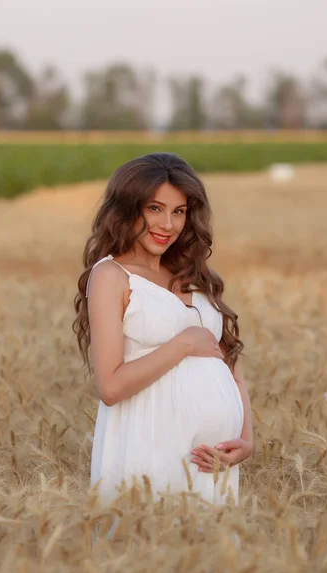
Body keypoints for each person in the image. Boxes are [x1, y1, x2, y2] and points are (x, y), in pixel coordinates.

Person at [73, 152, 254, 514]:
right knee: (150, 556)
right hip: (150, 447)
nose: (168, 224)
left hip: (213, 460)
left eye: (179, 211)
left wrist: (247, 438)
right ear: (128, 209)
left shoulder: (192, 273)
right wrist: (184, 343)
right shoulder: (112, 276)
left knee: (209, 562)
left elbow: (228, 361)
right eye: (155, 209)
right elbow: (110, 387)